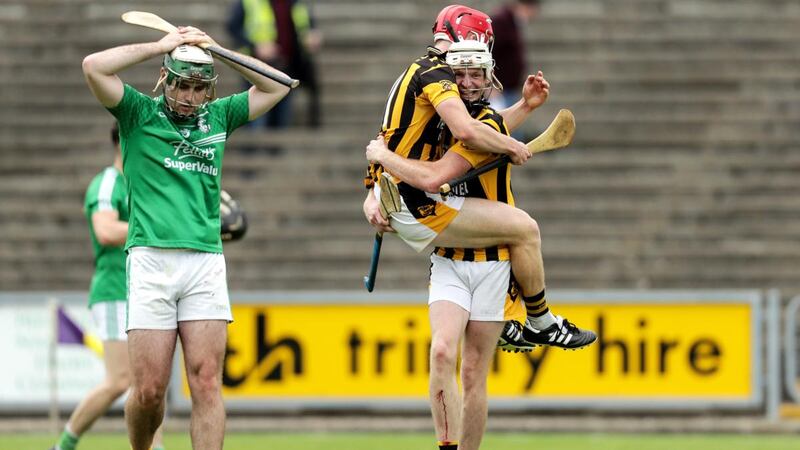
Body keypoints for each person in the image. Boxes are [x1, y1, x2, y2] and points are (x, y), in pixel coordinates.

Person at [82, 25, 290, 450]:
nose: (191, 96)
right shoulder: (138, 114)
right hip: (150, 261)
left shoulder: (219, 116)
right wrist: (161, 46)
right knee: (149, 391)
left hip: (204, 262)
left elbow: (279, 86)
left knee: (207, 381)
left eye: (199, 87)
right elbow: (94, 67)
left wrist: (216, 49)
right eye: (183, 84)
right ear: (166, 79)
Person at [362, 4, 595, 352]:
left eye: (476, 72)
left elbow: (471, 129)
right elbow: (467, 133)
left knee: (508, 235)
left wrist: (525, 107)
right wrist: (511, 146)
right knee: (525, 229)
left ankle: (506, 316)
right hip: (415, 198)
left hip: (401, 195)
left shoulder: (423, 77)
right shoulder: (434, 72)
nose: (467, 79)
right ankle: (540, 322)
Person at [49, 124, 165, 450]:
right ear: (126, 140)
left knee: (150, 385)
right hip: (115, 291)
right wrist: (156, 229)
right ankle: (63, 446)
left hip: (146, 292)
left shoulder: (143, 184)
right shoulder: (108, 183)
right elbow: (105, 230)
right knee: (120, 381)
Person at [227, 0, 322, 128]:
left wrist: (311, 35)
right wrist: (256, 47)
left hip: (287, 69)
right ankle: (254, 146)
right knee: (257, 121)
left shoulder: (295, 3)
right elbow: (233, 28)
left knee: (281, 120)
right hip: (257, 69)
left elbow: (307, 24)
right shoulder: (249, 2)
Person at [489, 0, 540, 111]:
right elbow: (490, 52)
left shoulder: (513, 23)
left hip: (509, 88)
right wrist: (491, 84)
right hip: (500, 89)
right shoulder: (501, 21)